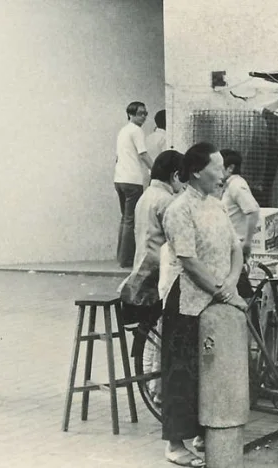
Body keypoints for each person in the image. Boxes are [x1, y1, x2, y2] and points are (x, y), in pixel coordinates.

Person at [161, 142, 247, 467]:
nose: (224, 173)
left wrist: (231, 282)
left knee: (209, 367)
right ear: (197, 171)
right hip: (187, 302)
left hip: (216, 303)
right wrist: (223, 291)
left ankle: (204, 430)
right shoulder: (179, 209)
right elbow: (189, 260)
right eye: (217, 167)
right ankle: (175, 443)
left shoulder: (218, 205)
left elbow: (235, 249)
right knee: (181, 371)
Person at [117, 150, 184, 408]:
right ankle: (157, 390)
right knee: (165, 335)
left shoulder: (146, 196)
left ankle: (151, 388)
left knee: (152, 336)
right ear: (175, 175)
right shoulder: (167, 201)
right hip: (159, 274)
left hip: (143, 271)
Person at [115, 101, 154, 267]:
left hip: (119, 179)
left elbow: (117, 157)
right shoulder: (137, 131)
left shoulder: (123, 131)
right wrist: (156, 169)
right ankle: (127, 259)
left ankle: (121, 257)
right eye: (140, 113)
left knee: (125, 219)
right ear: (130, 114)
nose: (144, 117)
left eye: (145, 113)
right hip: (133, 180)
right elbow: (143, 154)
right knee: (132, 220)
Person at [220, 148, 260, 298]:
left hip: (236, 244)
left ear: (230, 168)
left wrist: (247, 242)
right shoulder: (229, 185)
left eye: (219, 167)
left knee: (240, 286)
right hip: (230, 244)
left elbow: (253, 211)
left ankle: (253, 318)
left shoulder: (236, 185)